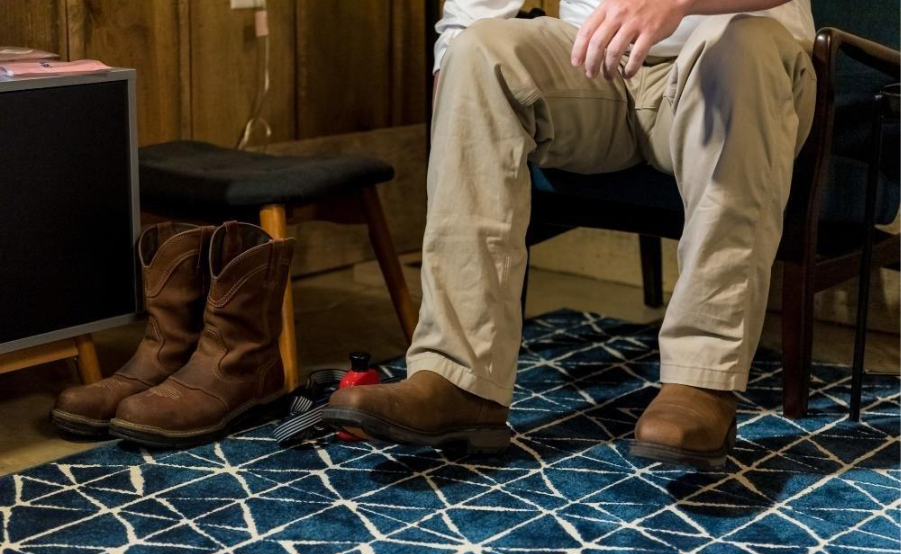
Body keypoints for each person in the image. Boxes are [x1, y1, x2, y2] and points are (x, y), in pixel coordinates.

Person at [322, 0, 817, 468]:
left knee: (747, 47)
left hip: (732, 62)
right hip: (598, 58)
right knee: (478, 52)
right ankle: (459, 381)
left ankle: (701, 383)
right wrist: (452, 57)